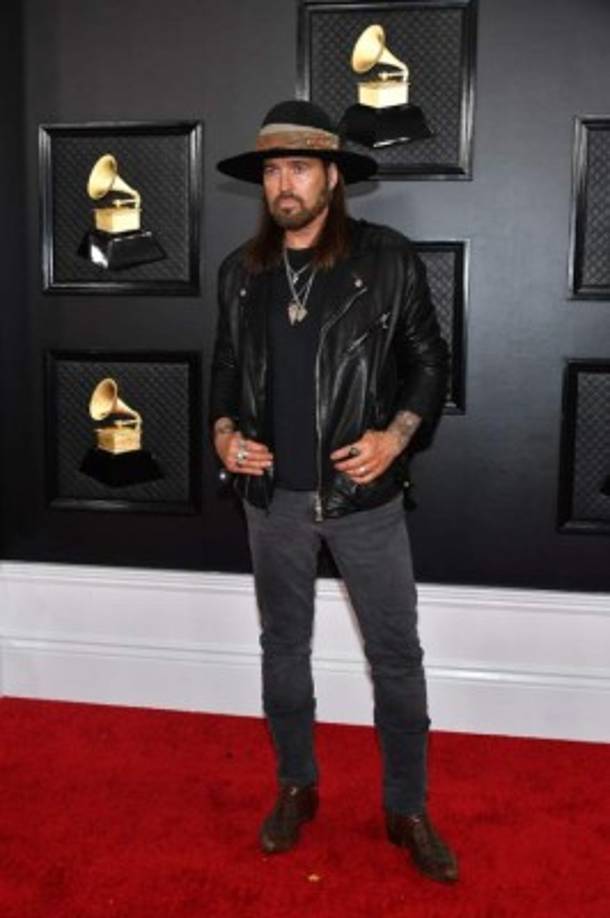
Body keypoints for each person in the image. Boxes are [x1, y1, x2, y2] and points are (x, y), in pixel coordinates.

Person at [210, 100, 457, 884]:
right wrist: (222, 432)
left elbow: (430, 361)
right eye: (272, 171)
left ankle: (407, 808)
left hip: (362, 500)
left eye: (299, 168)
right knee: (282, 648)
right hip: (271, 501)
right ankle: (296, 786)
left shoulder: (386, 260)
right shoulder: (241, 274)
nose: (283, 184)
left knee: (396, 656)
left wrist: (395, 436)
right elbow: (225, 370)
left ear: (332, 178)